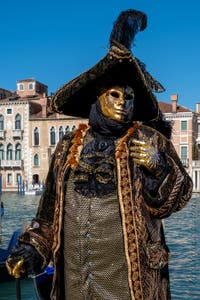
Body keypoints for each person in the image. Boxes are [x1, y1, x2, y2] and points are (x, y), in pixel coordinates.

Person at [6, 9, 193, 300]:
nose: (123, 103)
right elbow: (48, 217)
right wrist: (31, 250)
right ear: (99, 98)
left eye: (129, 97)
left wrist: (158, 167)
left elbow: (175, 198)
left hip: (131, 284)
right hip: (75, 285)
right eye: (114, 95)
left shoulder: (148, 139)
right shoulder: (68, 145)